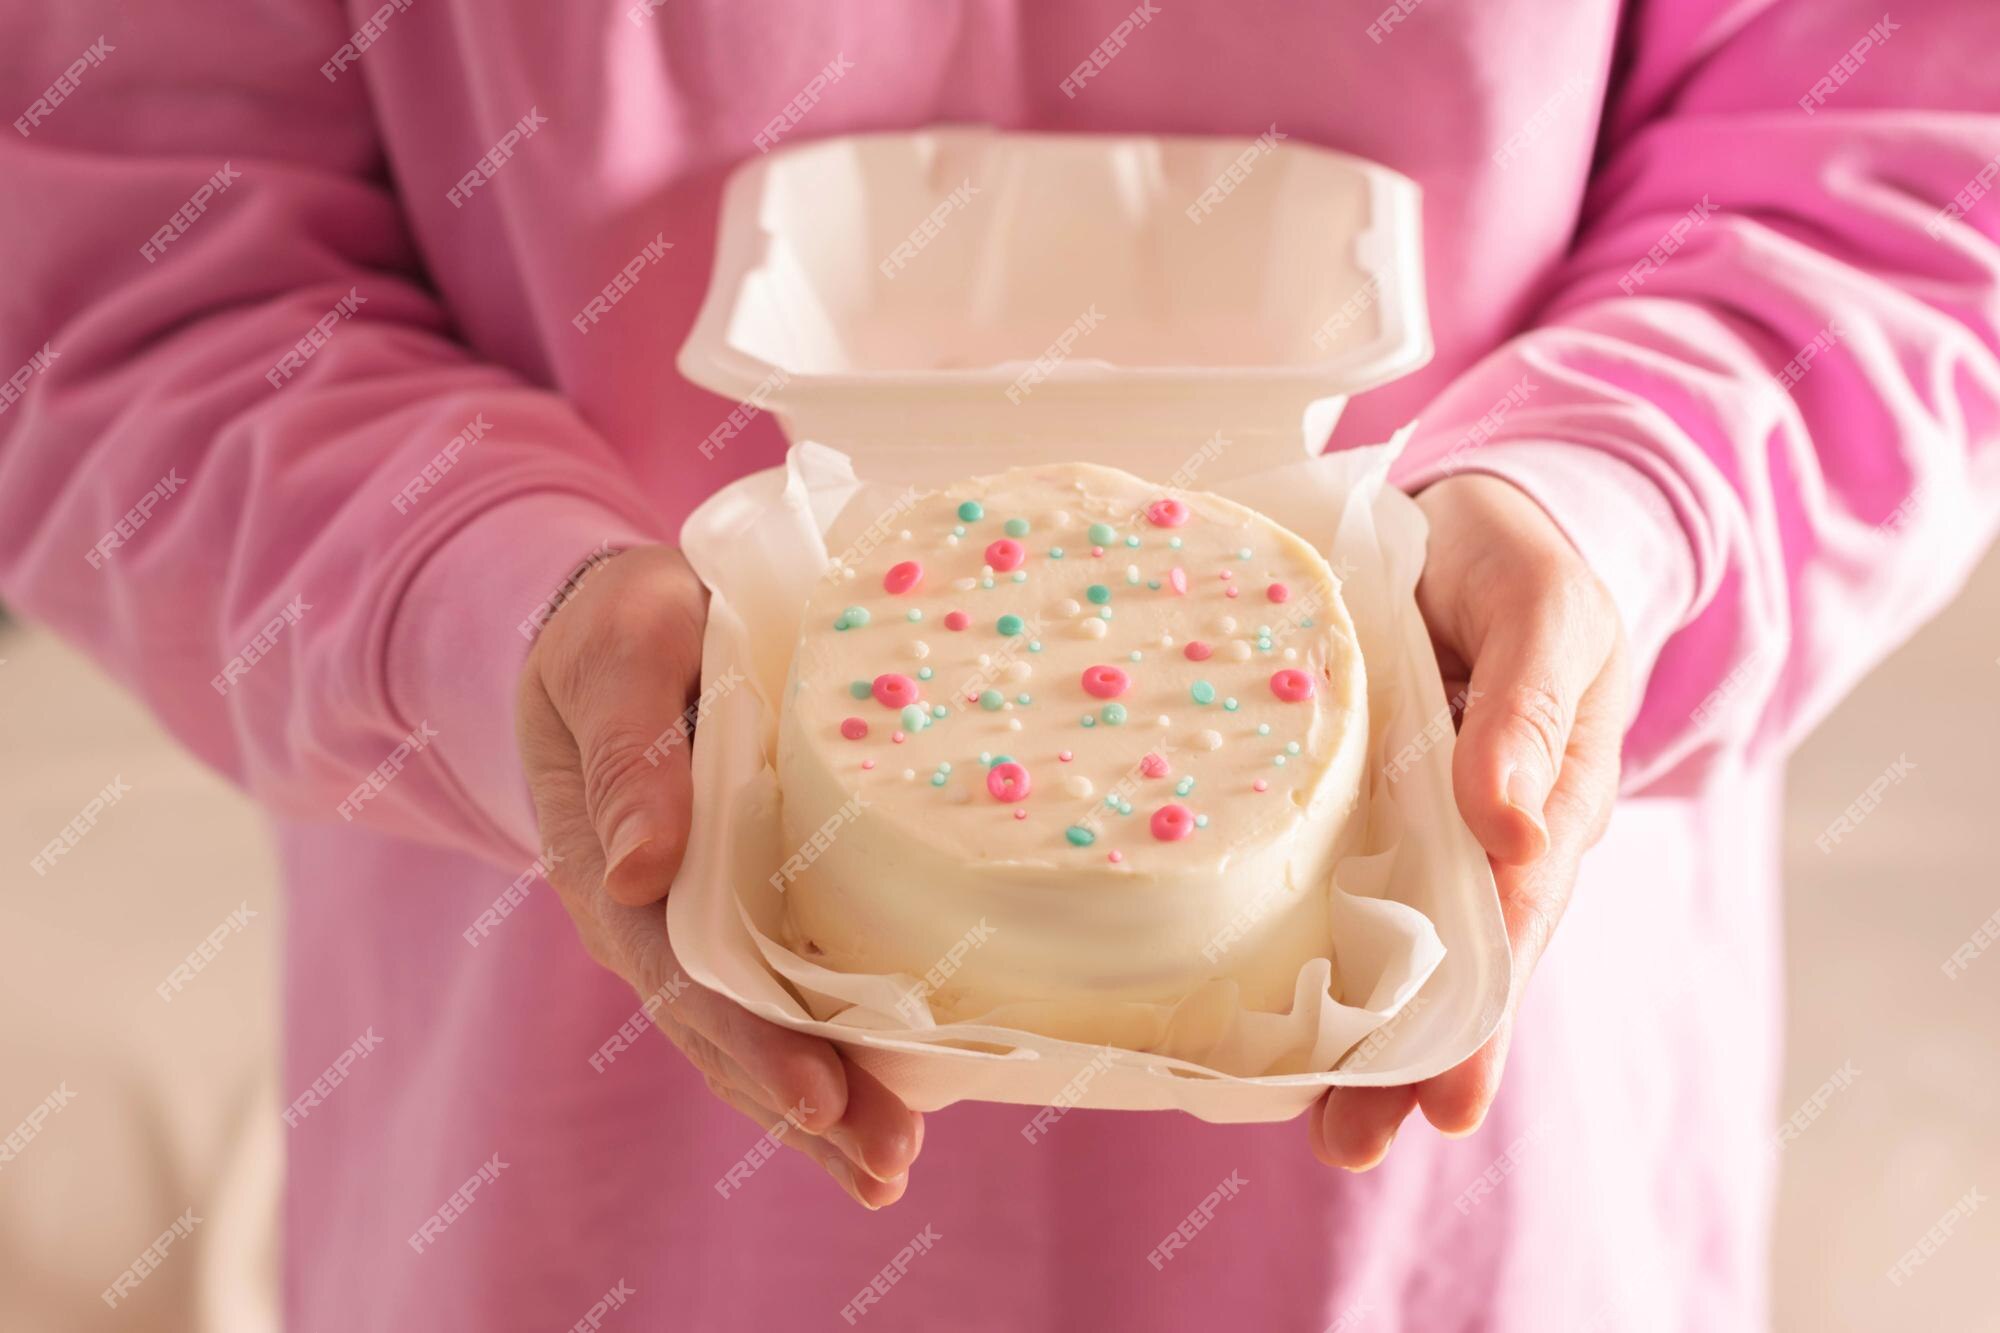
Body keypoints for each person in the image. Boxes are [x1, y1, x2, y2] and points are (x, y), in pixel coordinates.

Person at [3, 1, 1995, 1328]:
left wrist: (1630, 498)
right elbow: (123, 255)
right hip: (585, 1183)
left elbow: (1900, 154)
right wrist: (466, 590)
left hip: (1444, 1202)